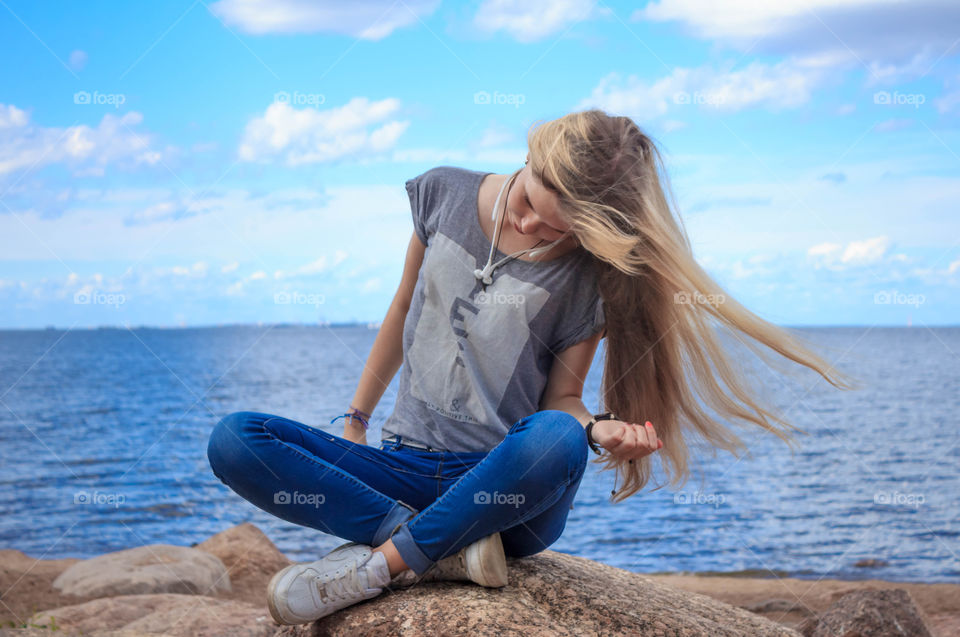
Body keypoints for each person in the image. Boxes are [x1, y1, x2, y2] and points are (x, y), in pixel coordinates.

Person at [206, 109, 857, 625]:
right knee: (235, 439)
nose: (529, 226)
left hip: (503, 493)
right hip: (400, 465)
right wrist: (355, 419)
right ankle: (436, 548)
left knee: (556, 437)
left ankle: (380, 567)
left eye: (553, 231)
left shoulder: (587, 278)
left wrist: (595, 427)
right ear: (528, 158)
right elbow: (402, 308)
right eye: (528, 204)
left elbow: (563, 397)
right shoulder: (441, 191)